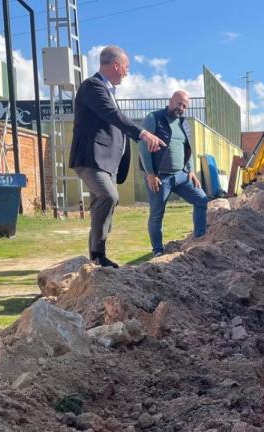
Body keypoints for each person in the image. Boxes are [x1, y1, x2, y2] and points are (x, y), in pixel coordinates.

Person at [69, 45, 165, 268]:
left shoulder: (107, 90)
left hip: (107, 163)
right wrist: (142, 133)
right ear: (116, 65)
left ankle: (94, 261)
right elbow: (112, 115)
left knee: (102, 211)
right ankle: (98, 255)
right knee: (109, 196)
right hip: (91, 159)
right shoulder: (92, 86)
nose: (127, 72)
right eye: (126, 67)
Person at [138, 90, 209, 257]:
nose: (182, 108)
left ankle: (199, 237)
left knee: (202, 200)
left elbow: (188, 149)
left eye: (185, 106)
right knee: (157, 213)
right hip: (159, 177)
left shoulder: (183, 123)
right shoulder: (154, 118)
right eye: (179, 104)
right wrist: (150, 174)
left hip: (181, 176)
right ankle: (158, 250)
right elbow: (143, 147)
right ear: (171, 101)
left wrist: (191, 171)